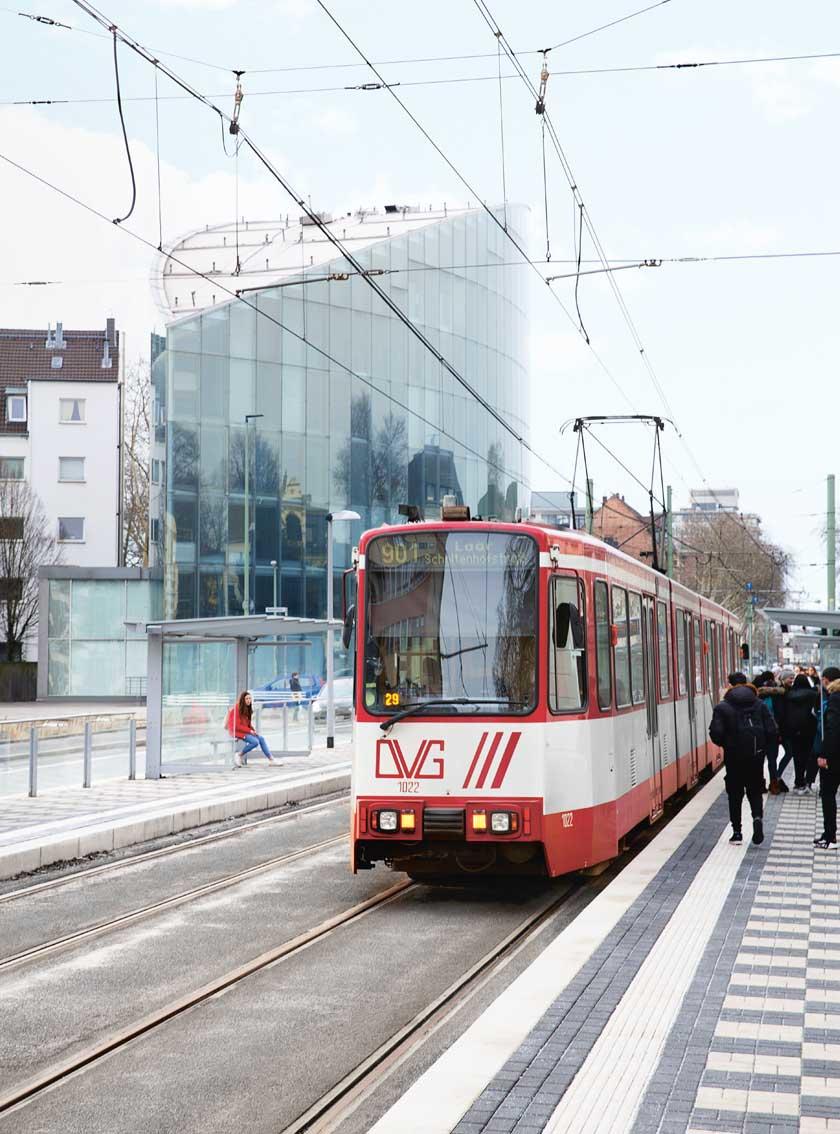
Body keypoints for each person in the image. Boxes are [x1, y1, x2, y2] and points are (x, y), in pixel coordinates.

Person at [710, 672, 778, 846]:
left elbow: (716, 733)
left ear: (730, 686)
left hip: (733, 758)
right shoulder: (759, 704)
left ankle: (737, 832)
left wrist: (727, 743)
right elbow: (772, 730)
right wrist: (762, 748)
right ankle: (757, 818)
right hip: (756, 757)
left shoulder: (722, 707)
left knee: (735, 793)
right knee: (754, 790)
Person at [781, 674, 820, 793]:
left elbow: (784, 713)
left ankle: (798, 782)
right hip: (809, 729)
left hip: (793, 730)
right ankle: (807, 782)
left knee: (797, 756)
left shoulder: (788, 695)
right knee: (808, 755)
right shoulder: (814, 694)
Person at [815, 668, 840, 850]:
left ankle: (830, 836)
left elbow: (832, 730)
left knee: (828, 795)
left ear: (827, 680)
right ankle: (828, 834)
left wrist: (824, 754)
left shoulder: (835, 699)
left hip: (835, 757)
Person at [754, 672, 788, 793]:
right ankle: (774, 785)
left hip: (759, 734)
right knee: (772, 760)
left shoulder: (755, 695)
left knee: (759, 760)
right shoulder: (778, 695)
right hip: (773, 732)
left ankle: (759, 785)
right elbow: (781, 714)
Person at [225, 691, 276, 766]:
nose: (249, 700)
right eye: (247, 699)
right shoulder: (237, 708)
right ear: (243, 700)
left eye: (250, 698)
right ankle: (239, 755)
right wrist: (250, 731)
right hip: (236, 731)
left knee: (261, 738)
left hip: (244, 730)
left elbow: (248, 724)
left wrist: (253, 731)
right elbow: (237, 726)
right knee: (255, 742)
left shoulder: (248, 708)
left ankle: (271, 759)